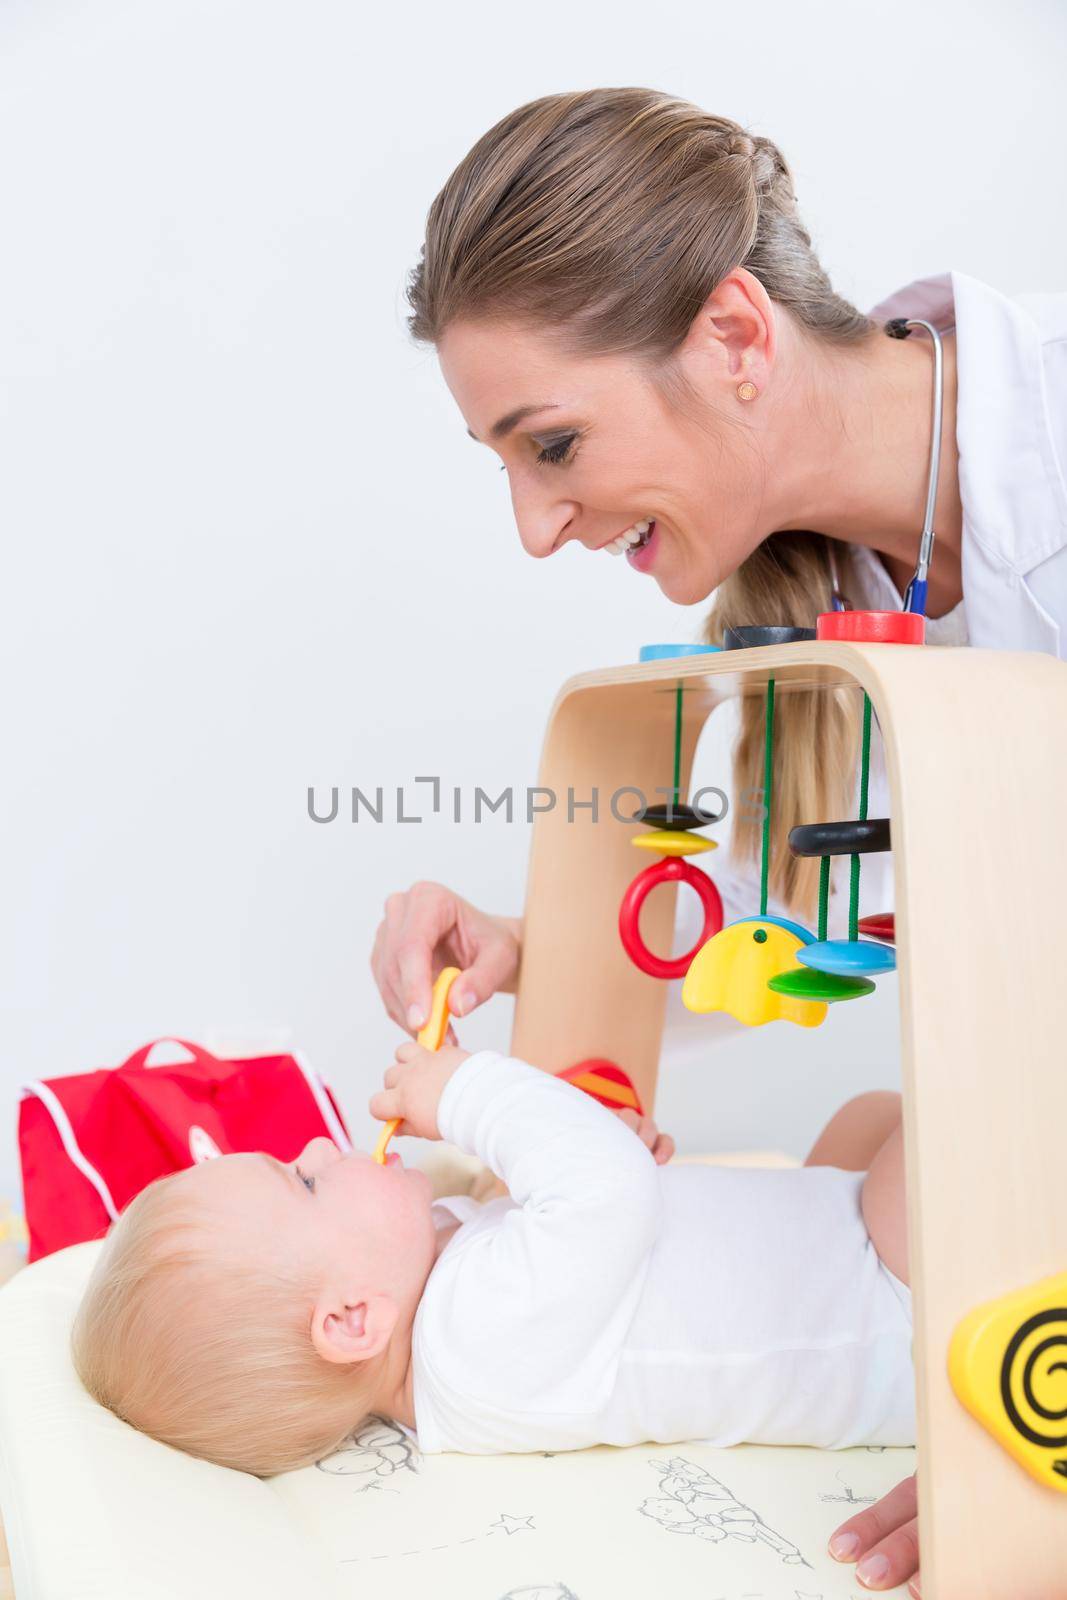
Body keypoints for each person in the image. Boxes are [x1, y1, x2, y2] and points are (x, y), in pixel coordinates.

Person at [376, 86, 1067, 1596]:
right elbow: (790, 945)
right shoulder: (805, 620)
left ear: (736, 339)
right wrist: (535, 949)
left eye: (548, 442)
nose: (532, 526)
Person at [71, 1038, 909, 1483]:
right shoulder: (475, 1340)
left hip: (835, 1250)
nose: (324, 1144)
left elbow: (591, 1218)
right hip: (887, 1312)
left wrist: (582, 1148)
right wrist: (468, 1092)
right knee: (943, 1114)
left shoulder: (438, 1301)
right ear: (353, 1319)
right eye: (304, 1182)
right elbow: (610, 1201)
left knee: (868, 1117)